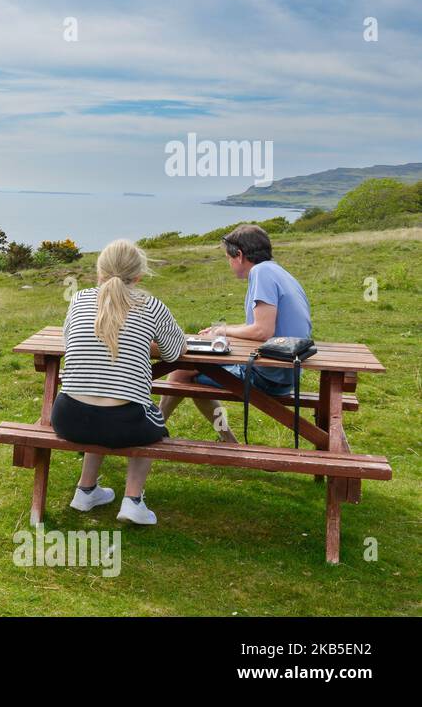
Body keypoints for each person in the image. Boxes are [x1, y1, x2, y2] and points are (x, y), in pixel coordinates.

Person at [51, 239, 186, 525]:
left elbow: (68, 342)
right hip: (124, 423)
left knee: (95, 401)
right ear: (138, 277)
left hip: (67, 417)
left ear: (98, 272)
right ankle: (132, 500)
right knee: (156, 419)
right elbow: (175, 353)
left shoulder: (79, 300)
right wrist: (143, 344)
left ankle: (85, 490)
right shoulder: (152, 306)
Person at [158, 224, 312, 442]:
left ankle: (155, 427)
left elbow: (262, 331)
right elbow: (264, 327)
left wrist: (222, 331)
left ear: (239, 255)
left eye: (228, 258)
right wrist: (222, 332)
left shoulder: (261, 272)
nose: (229, 264)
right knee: (192, 373)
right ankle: (226, 439)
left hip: (270, 375)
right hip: (287, 371)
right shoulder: (280, 272)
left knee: (183, 372)